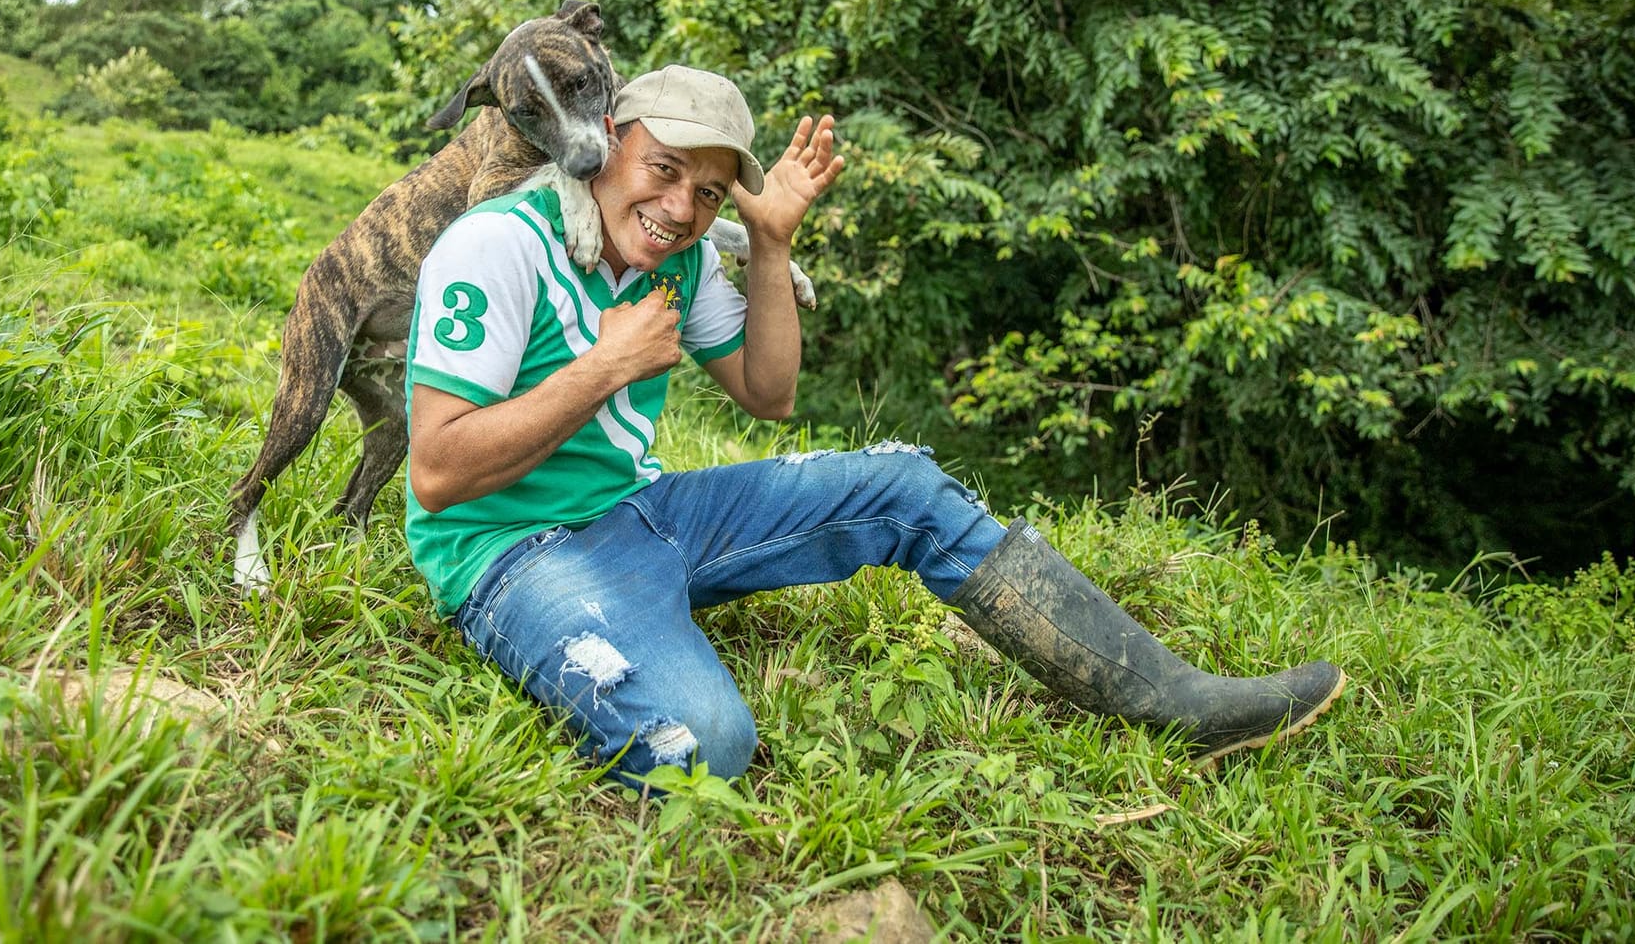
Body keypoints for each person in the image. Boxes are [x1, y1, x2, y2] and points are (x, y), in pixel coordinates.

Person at [402, 65, 1343, 787]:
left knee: (905, 483)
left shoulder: (677, 260)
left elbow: (769, 393)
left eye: (712, 196)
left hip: (641, 512)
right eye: (664, 170)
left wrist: (770, 243)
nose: (680, 209)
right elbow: (438, 474)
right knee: (706, 748)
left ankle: (1173, 700)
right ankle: (629, 629)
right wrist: (603, 366)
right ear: (606, 141)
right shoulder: (499, 246)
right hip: (512, 552)